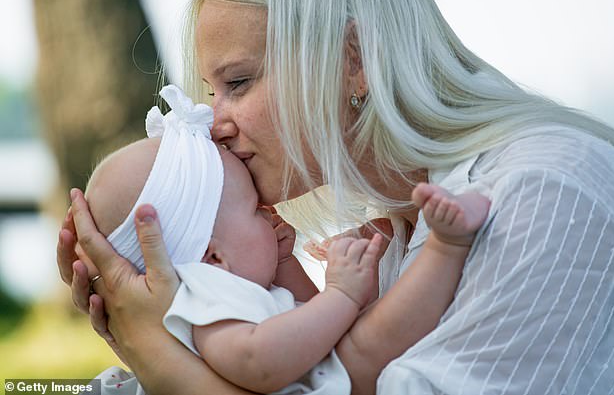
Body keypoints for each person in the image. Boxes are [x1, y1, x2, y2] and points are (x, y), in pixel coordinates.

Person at [57, 0, 614, 395]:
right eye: (211, 93)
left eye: (238, 83)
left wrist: (160, 355)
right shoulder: (385, 242)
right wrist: (142, 321)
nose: (213, 124)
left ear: (353, 61)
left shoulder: (546, 191)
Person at [82, 84, 488, 395]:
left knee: (365, 346)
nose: (271, 213)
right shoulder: (204, 300)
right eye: (256, 210)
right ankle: (446, 247)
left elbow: (301, 316)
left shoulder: (227, 288)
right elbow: (259, 360)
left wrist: (287, 265)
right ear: (213, 257)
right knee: (363, 350)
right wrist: (341, 296)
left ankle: (444, 247)